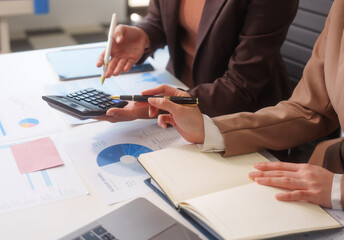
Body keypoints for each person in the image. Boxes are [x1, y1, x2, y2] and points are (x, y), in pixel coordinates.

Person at [142, 0, 344, 210]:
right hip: (323, 173)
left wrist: (339, 189)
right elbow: (310, 108)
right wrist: (209, 130)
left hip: (330, 184)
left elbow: (242, 82)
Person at [96, 0, 299, 122]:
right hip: (178, 91)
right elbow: (160, 18)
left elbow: (241, 86)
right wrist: (144, 34)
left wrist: (167, 104)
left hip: (237, 114)